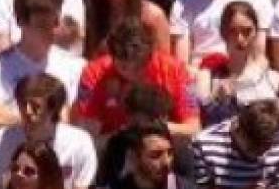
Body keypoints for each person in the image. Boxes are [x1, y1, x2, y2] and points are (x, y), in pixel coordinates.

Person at [0, 0, 85, 131]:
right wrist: (45, 118)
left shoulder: (76, 66)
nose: (51, 31)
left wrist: (20, 116)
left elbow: (67, 117)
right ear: (20, 22)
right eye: (42, 25)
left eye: (55, 23)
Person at [74, 20, 202, 140]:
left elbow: (193, 128)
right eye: (123, 67)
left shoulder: (175, 70)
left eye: (139, 67)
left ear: (151, 55)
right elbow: (88, 132)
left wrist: (153, 127)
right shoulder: (94, 74)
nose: (131, 73)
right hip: (114, 144)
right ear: (112, 57)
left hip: (163, 141)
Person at [190, 100, 279, 189]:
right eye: (253, 148)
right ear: (238, 129)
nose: (260, 156)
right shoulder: (204, 144)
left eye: (267, 148)